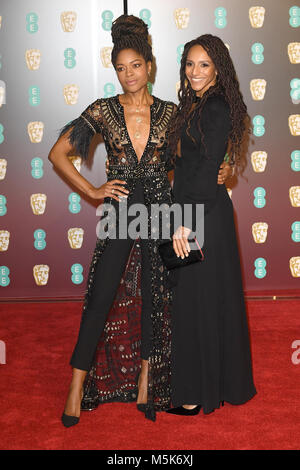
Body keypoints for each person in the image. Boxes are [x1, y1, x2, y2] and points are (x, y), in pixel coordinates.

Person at [48, 17, 232, 426]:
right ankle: (77, 384)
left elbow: (204, 151)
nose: (129, 74)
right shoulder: (103, 110)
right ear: (115, 71)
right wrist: (93, 191)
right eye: (121, 67)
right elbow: (58, 153)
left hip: (163, 214)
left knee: (156, 298)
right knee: (101, 296)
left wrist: (225, 167)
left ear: (149, 66)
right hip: (122, 214)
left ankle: (149, 379)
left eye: (136, 65)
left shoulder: (172, 113)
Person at [166, 34, 257, 416]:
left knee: (196, 303)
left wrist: (185, 224)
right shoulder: (196, 105)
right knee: (205, 301)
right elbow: (197, 164)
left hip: (201, 217)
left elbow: (206, 170)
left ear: (218, 68)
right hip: (197, 211)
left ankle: (194, 395)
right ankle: (217, 385)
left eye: (204, 64)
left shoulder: (215, 106)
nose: (195, 71)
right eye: (190, 64)